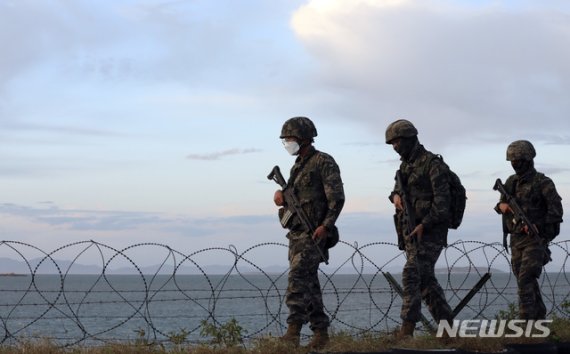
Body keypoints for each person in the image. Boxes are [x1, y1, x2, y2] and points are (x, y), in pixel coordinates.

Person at [273, 116, 345, 349]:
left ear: (303, 139)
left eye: (290, 139)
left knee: (297, 280)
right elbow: (295, 198)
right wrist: (281, 197)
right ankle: (321, 333)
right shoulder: (298, 166)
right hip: (296, 233)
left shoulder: (323, 161)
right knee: (310, 285)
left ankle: (293, 332)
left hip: (314, 233)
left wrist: (327, 225)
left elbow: (336, 198)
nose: (287, 143)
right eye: (285, 139)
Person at [385, 119, 453, 338]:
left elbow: (443, 203)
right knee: (426, 282)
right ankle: (448, 331)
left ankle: (407, 329)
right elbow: (396, 191)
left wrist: (425, 224)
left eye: (397, 142)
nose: (395, 147)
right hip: (411, 232)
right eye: (392, 143)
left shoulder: (432, 164)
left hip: (431, 231)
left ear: (409, 139)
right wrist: (395, 197)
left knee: (411, 273)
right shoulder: (406, 166)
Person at [494, 140, 563, 320]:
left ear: (528, 159)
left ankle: (527, 324)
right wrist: (501, 206)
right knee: (525, 281)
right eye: (512, 162)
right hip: (516, 239)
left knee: (526, 279)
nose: (515, 165)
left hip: (535, 239)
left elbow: (556, 213)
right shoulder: (511, 182)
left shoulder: (543, 182)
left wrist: (538, 225)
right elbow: (502, 204)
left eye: (518, 161)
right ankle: (539, 320)